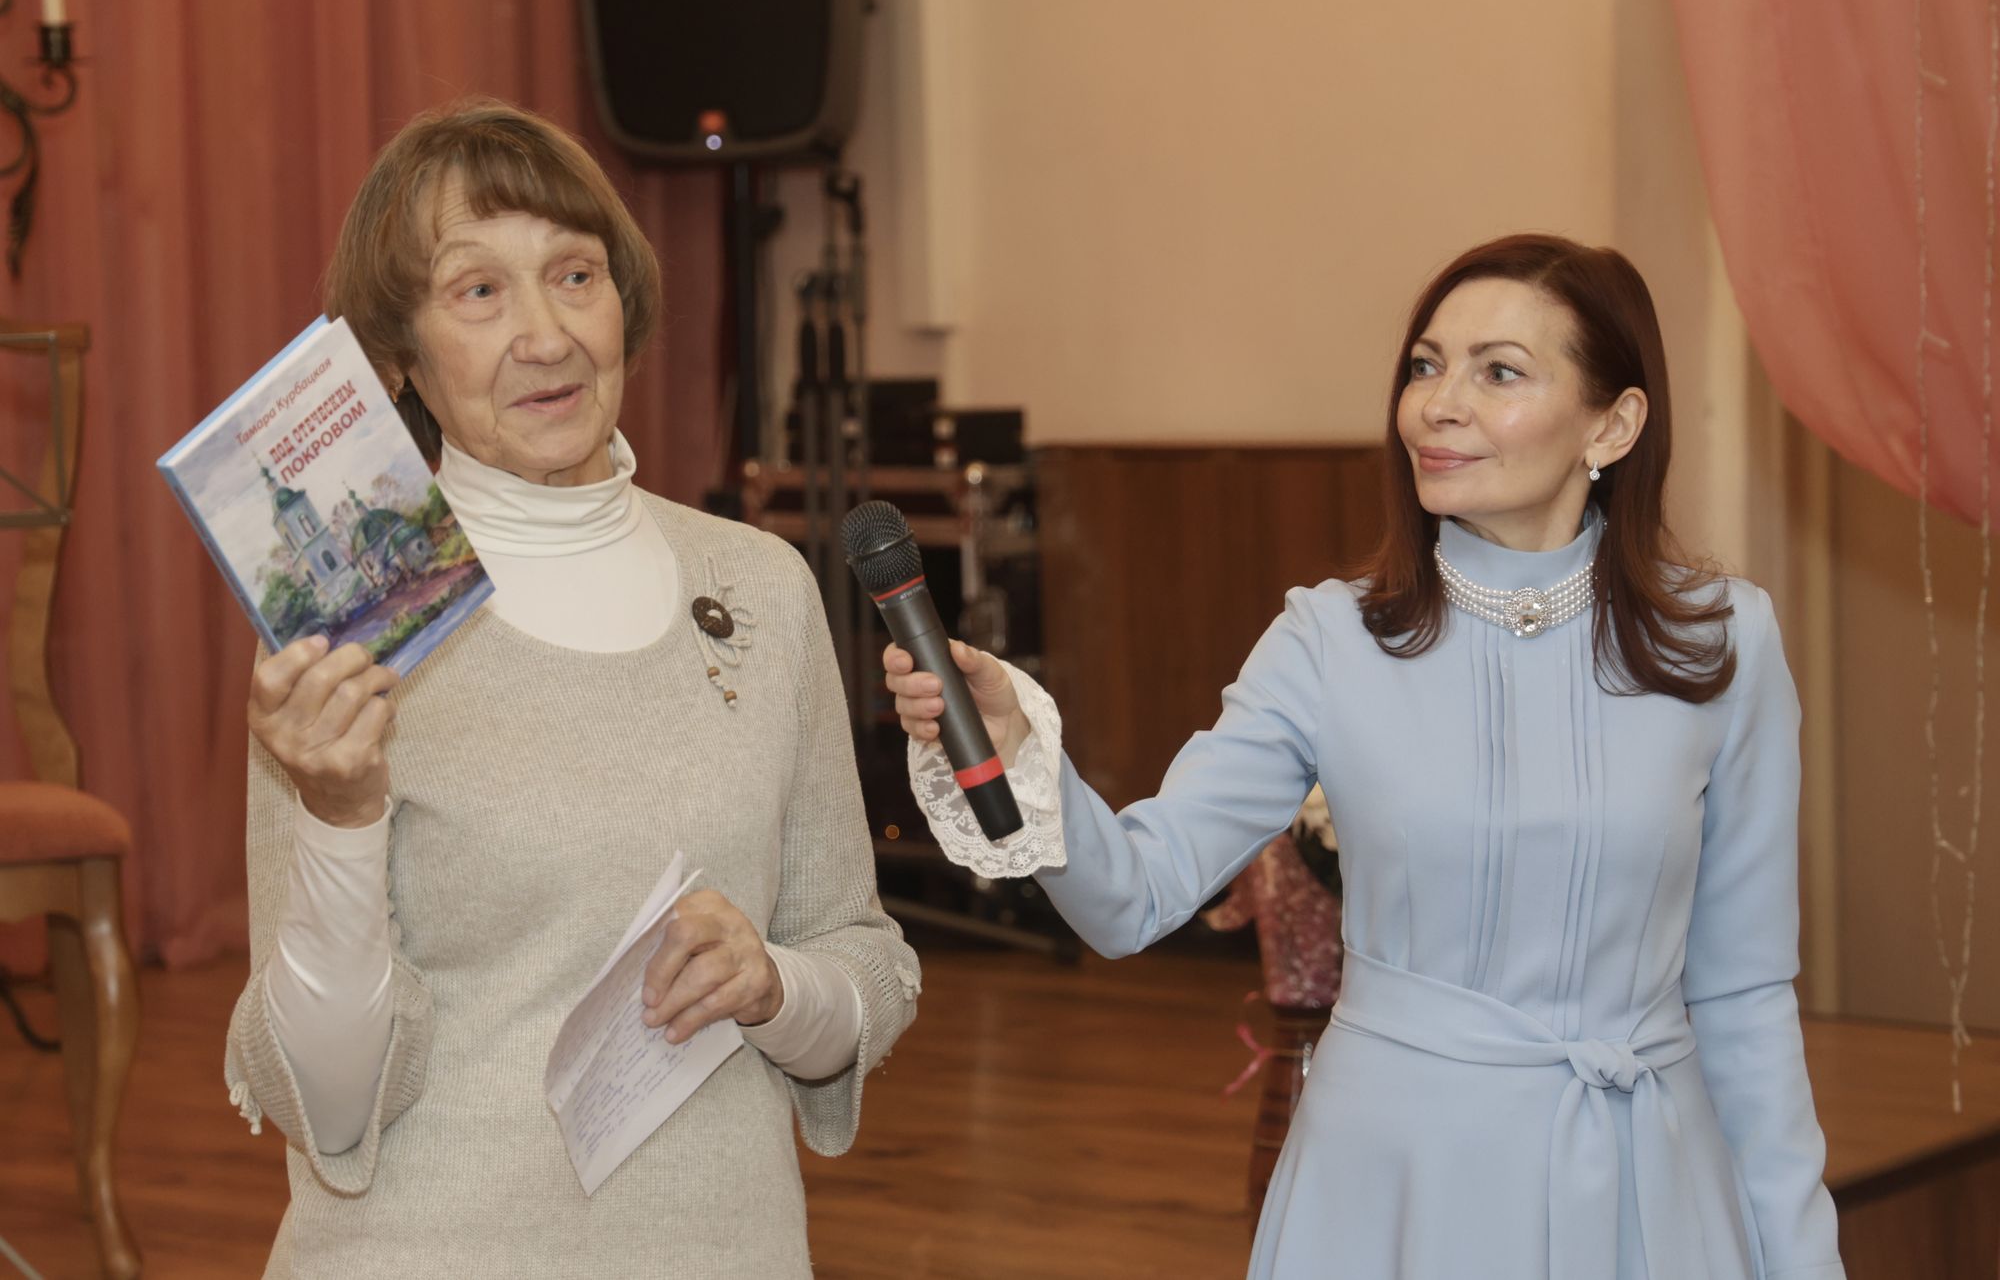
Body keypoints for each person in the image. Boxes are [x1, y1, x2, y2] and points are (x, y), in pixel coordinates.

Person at [886, 236, 1844, 1279]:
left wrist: (1803, 1259)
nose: (1437, 404)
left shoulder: (1721, 642)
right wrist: (1021, 748)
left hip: (1647, 1189)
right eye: (1425, 365)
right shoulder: (1328, 641)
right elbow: (1131, 897)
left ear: (1610, 423)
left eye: (1499, 372)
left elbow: (1745, 998)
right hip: (1391, 1185)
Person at [224, 98, 919, 1278]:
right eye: (477, 291)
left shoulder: (757, 585)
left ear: (623, 304)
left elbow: (859, 962)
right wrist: (338, 815)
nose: (543, 335)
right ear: (398, 357)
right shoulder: (349, 619)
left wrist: (774, 986)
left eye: (574, 275)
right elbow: (328, 1107)